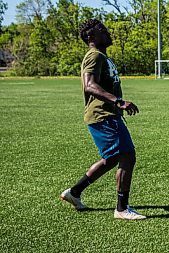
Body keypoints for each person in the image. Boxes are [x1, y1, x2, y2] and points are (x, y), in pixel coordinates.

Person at [60, 19, 146, 220]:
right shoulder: (94, 56)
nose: (106, 32)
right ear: (91, 37)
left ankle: (74, 192)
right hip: (103, 115)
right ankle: (122, 209)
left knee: (113, 158)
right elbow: (89, 85)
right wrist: (118, 101)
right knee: (127, 156)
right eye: (101, 30)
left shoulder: (102, 56)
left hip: (106, 115)